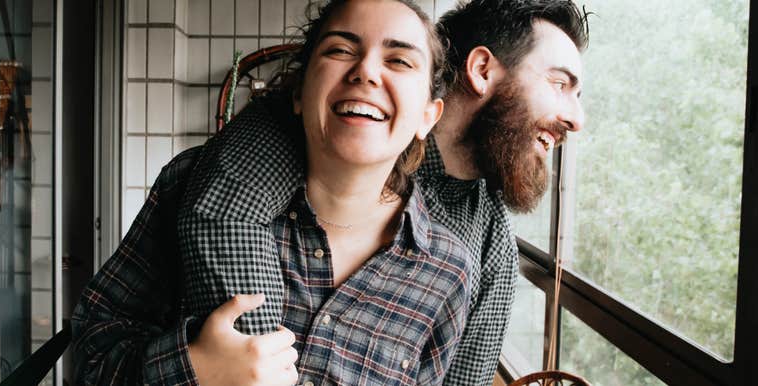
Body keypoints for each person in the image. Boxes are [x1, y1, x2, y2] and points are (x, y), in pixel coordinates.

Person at [170, 1, 590, 385]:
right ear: (481, 70)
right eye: (560, 84)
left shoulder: (489, 246)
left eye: (399, 61)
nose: (577, 119)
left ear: (430, 114)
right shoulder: (271, 146)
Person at [72, 1, 472, 385]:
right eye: (340, 49)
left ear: (427, 116)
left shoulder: (446, 271)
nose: (365, 71)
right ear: (299, 94)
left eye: (399, 60)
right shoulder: (188, 185)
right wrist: (192, 369)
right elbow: (91, 353)